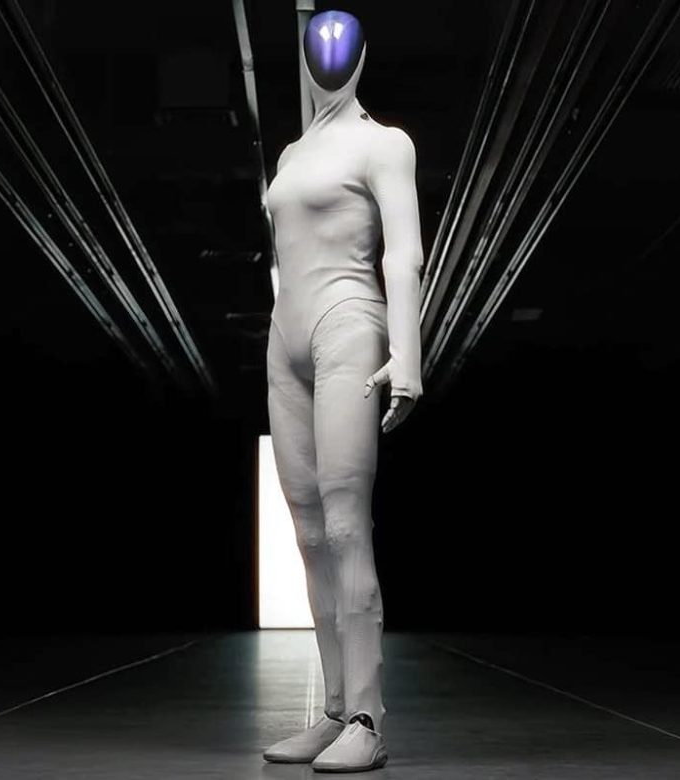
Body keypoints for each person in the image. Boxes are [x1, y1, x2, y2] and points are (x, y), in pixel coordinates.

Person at [260, 8, 424, 774]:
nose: (328, 57)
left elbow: (404, 253)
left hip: (348, 325)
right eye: (316, 46)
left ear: (360, 58)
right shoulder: (292, 154)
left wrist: (407, 355)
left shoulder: (385, 143)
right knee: (308, 532)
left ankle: (367, 717)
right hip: (285, 335)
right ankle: (331, 712)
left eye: (341, 46)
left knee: (347, 523)